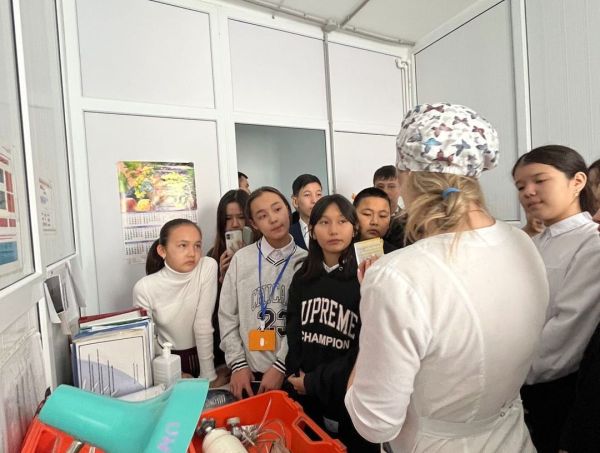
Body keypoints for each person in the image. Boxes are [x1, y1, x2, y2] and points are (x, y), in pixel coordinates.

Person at [345, 103, 549, 452]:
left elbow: (374, 422)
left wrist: (376, 311)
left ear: (407, 176)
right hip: (514, 439)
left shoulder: (396, 276)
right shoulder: (522, 243)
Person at [513, 145, 600, 453]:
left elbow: (569, 328)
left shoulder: (592, 243)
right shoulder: (532, 242)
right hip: (520, 380)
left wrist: (507, 373)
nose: (528, 192)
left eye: (540, 180)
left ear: (577, 182)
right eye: (520, 186)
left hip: (557, 388)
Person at [286, 195, 378, 453]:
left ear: (355, 228)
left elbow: (366, 348)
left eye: (342, 221)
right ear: (312, 231)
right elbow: (293, 331)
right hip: (308, 397)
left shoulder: (367, 279)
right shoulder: (302, 277)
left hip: (349, 399)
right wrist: (298, 376)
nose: (334, 230)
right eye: (324, 222)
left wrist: (315, 381)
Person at [219, 186, 307, 400]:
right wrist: (238, 364)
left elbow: (304, 324)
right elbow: (227, 315)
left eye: (277, 209)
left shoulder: (306, 261)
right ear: (253, 224)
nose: (273, 219)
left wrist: (281, 365)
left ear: (288, 209)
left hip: (292, 374)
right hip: (248, 376)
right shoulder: (241, 260)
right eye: (262, 216)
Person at [133, 218, 225, 386]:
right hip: (167, 361)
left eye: (197, 245)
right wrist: (174, 372)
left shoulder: (207, 266)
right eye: (183, 245)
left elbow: (202, 324)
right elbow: (146, 339)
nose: (192, 253)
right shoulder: (144, 287)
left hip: (208, 356)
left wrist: (208, 377)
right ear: (162, 250)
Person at [208, 189, 252, 368]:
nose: (234, 224)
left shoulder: (263, 253)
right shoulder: (212, 257)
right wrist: (223, 280)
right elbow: (210, 313)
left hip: (259, 341)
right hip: (226, 347)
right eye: (228, 218)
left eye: (241, 217)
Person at [352, 187, 396, 253]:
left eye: (382, 215)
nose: (375, 222)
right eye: (367, 214)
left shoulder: (396, 255)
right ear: (353, 215)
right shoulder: (340, 251)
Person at [373, 165, 406, 248]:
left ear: (401, 189)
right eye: (380, 186)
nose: (385, 191)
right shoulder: (364, 219)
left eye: (391, 186)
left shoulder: (408, 221)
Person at [289, 174, 323, 250]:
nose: (314, 200)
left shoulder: (332, 228)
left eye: (318, 194)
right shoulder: (287, 234)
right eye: (307, 195)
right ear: (295, 201)